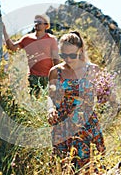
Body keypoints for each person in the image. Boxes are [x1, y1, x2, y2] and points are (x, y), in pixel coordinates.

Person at [47, 31, 111, 173]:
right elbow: (51, 96)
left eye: (72, 55)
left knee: (92, 168)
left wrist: (105, 95)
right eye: (63, 55)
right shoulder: (55, 71)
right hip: (63, 126)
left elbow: (104, 95)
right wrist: (50, 109)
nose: (68, 59)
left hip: (87, 124)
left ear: (80, 51)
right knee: (63, 168)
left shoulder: (93, 70)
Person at [3, 14, 60, 96]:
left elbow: (56, 59)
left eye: (39, 22)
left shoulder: (51, 40)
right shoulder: (27, 39)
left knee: (49, 101)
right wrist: (4, 31)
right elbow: (12, 47)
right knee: (34, 100)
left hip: (48, 77)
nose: (36, 24)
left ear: (46, 25)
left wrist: (56, 77)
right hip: (33, 77)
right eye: (35, 22)